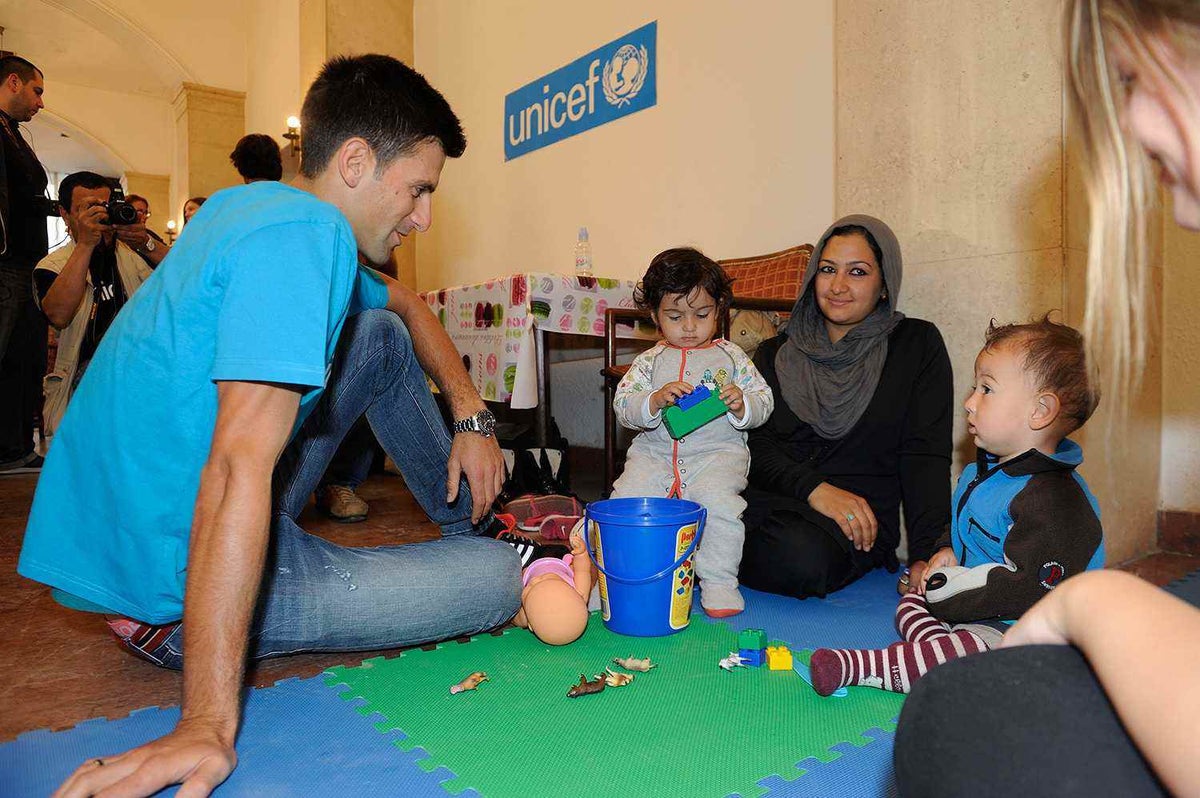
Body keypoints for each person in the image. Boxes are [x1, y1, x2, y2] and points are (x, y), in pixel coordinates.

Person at [21, 54, 521, 797]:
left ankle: (474, 522)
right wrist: (206, 726)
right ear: (354, 161)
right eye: (418, 189)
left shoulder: (245, 207)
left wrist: (472, 416)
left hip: (163, 533)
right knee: (504, 582)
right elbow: (233, 470)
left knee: (379, 335)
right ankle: (495, 554)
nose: (423, 216)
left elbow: (407, 309)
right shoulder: (305, 237)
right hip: (180, 584)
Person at [895, 2, 1200, 796]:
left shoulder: (1050, 494)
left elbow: (1030, 577)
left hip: (1014, 616)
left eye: (1137, 76)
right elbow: (972, 545)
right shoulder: (986, 474)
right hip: (1013, 615)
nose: (1129, 113)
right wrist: (942, 567)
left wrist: (1084, 604)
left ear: (1038, 413)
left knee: (946, 715)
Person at [809, 317, 1103, 696]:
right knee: (911, 601)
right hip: (976, 608)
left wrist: (949, 592)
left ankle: (863, 667)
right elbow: (962, 523)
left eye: (986, 389)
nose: (969, 402)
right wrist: (945, 551)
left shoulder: (1057, 502)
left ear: (1040, 411)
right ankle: (936, 651)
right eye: (974, 387)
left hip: (1030, 629)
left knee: (963, 642)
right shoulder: (985, 471)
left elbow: (1028, 589)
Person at [739, 215, 953, 601]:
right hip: (775, 500)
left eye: (857, 272)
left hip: (855, 523)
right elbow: (754, 446)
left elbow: (925, 457)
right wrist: (815, 489)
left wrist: (926, 553)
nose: (838, 286)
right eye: (827, 270)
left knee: (797, 558)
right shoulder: (775, 354)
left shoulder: (916, 346)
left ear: (884, 285)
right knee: (702, 513)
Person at [606, 247, 773, 617]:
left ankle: (719, 584)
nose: (689, 326)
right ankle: (622, 578)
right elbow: (624, 405)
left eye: (702, 314)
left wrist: (742, 403)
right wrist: (654, 400)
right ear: (654, 315)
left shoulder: (733, 357)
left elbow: (764, 400)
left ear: (719, 311)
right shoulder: (648, 361)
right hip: (654, 456)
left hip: (716, 457)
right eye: (675, 315)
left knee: (721, 508)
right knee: (625, 506)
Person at [33, 172, 156, 437]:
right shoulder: (51, 266)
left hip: (138, 375)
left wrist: (146, 242)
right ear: (65, 215)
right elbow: (59, 315)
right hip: (83, 386)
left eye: (105, 205)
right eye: (89, 208)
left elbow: (185, 278)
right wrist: (86, 244)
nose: (101, 214)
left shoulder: (131, 252)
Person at [0, 55, 49, 474]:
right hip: (6, 262)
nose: (40, 103)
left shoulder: (13, 133)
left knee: (24, 357)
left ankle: (14, 446)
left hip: (25, 263)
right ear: (13, 81)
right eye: (37, 91)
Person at [497, 530, 594, 645]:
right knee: (558, 549)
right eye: (549, 580)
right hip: (559, 559)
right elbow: (582, 571)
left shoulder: (525, 616)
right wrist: (581, 554)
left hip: (527, 566)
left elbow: (513, 616)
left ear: (530, 625)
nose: (536, 579)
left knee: (508, 558)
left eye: (531, 587)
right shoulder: (580, 592)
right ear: (576, 595)